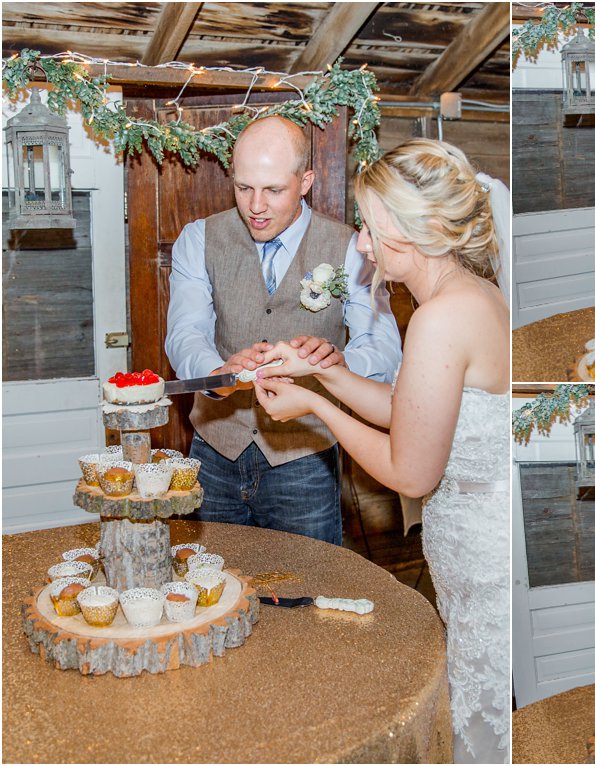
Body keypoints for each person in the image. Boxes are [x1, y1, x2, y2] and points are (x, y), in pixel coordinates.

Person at [251, 138, 510, 764]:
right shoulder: (473, 294)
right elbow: (411, 410)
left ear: (414, 229)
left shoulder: (441, 316)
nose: (362, 244)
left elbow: (412, 471)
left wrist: (313, 409)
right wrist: (321, 375)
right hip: (479, 552)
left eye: (371, 227)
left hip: (483, 560)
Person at [165, 116, 402, 546]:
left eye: (273, 190)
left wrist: (338, 362)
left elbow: (383, 348)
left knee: (308, 590)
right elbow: (185, 333)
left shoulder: (352, 247)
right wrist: (220, 373)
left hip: (305, 457)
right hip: (214, 451)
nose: (256, 205)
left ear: (305, 180)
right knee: (212, 586)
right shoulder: (198, 239)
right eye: (243, 187)